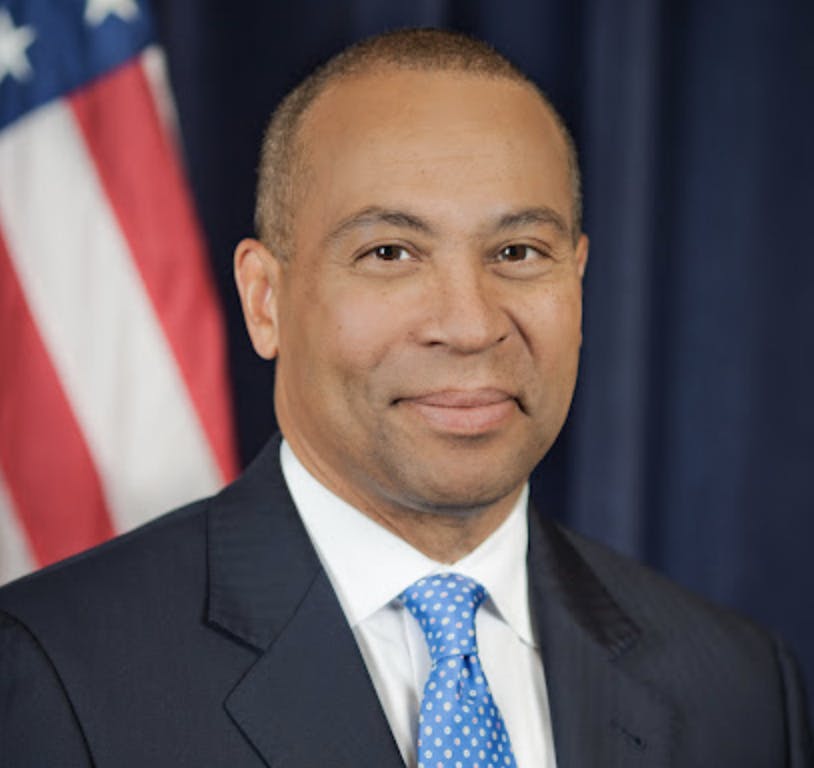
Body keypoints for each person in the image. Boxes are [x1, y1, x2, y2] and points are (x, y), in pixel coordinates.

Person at [0, 27, 811, 768]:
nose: (469, 325)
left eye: (518, 251)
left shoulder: (740, 688)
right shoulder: (52, 673)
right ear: (265, 301)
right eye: (390, 252)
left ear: (579, 281)